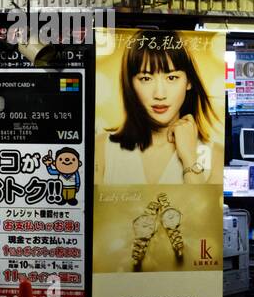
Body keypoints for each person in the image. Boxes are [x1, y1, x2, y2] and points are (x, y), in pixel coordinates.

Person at [95, 37, 222, 186]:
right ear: (130, 84)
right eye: (146, 78)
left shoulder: (215, 155)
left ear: (189, 82)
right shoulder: (101, 148)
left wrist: (189, 157)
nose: (160, 94)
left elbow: (202, 209)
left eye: (172, 77)